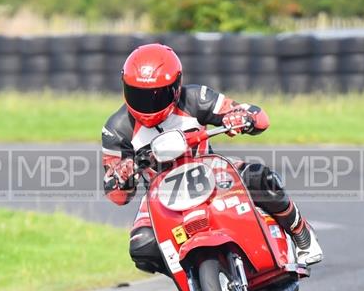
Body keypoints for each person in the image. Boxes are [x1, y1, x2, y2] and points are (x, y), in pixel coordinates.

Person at [101, 43, 323, 276]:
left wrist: (241, 117)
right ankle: (193, 279)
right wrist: (122, 177)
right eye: (138, 95)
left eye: (157, 95)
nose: (147, 104)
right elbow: (117, 195)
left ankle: (301, 234)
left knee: (262, 179)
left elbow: (259, 117)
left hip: (210, 170)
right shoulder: (116, 129)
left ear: (176, 87)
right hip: (159, 195)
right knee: (142, 246)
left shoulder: (196, 97)